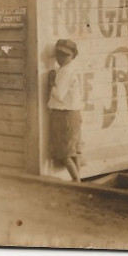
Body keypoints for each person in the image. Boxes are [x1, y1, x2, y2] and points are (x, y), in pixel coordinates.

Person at [47, 38, 84, 182]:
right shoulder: (71, 69)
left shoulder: (64, 71)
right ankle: (78, 180)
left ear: (72, 56)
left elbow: (59, 95)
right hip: (74, 114)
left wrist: (51, 83)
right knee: (75, 149)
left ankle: (77, 182)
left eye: (65, 55)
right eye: (59, 54)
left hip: (64, 115)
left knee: (65, 153)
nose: (61, 57)